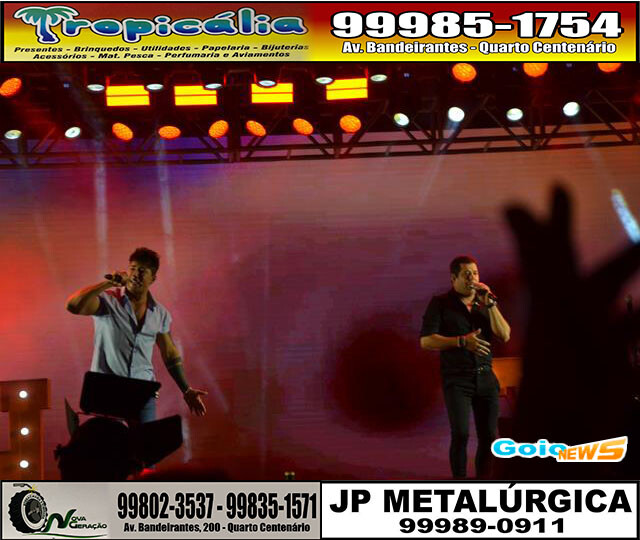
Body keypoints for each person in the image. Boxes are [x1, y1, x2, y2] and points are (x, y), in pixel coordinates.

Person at [65, 247, 207, 422]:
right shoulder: (108, 301)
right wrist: (109, 283)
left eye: (142, 271)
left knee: (144, 439)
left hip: (143, 391)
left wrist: (186, 390)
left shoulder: (159, 313)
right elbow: (73, 306)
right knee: (111, 437)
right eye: (132, 268)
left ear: (152, 278)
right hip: (108, 390)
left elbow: (170, 354)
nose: (135, 275)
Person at [420, 255, 510, 479]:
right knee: (460, 434)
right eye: (467, 274)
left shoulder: (485, 304)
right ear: (454, 278)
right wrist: (461, 341)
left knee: (489, 437)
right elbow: (426, 341)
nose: (473, 278)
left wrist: (491, 304)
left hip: (486, 378)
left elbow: (505, 335)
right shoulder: (440, 303)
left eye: (476, 273)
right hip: (457, 379)